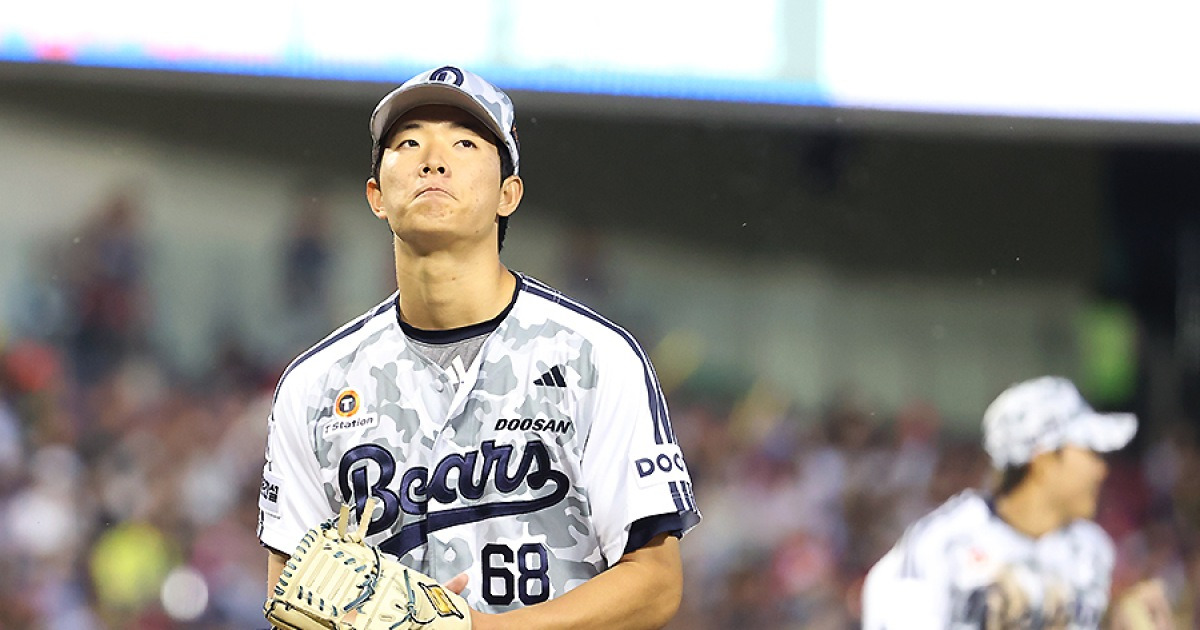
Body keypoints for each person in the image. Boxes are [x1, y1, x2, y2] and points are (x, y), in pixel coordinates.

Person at [257, 65, 701, 629]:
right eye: (409, 142)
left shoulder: (594, 357)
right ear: (376, 195)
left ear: (508, 194)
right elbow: (290, 597)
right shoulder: (313, 386)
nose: (433, 160)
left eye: (464, 143)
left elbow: (655, 584)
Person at [861, 375, 1170, 629]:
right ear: (1044, 460)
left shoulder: (1091, 550)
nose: (1101, 469)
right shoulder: (940, 546)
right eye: (1090, 452)